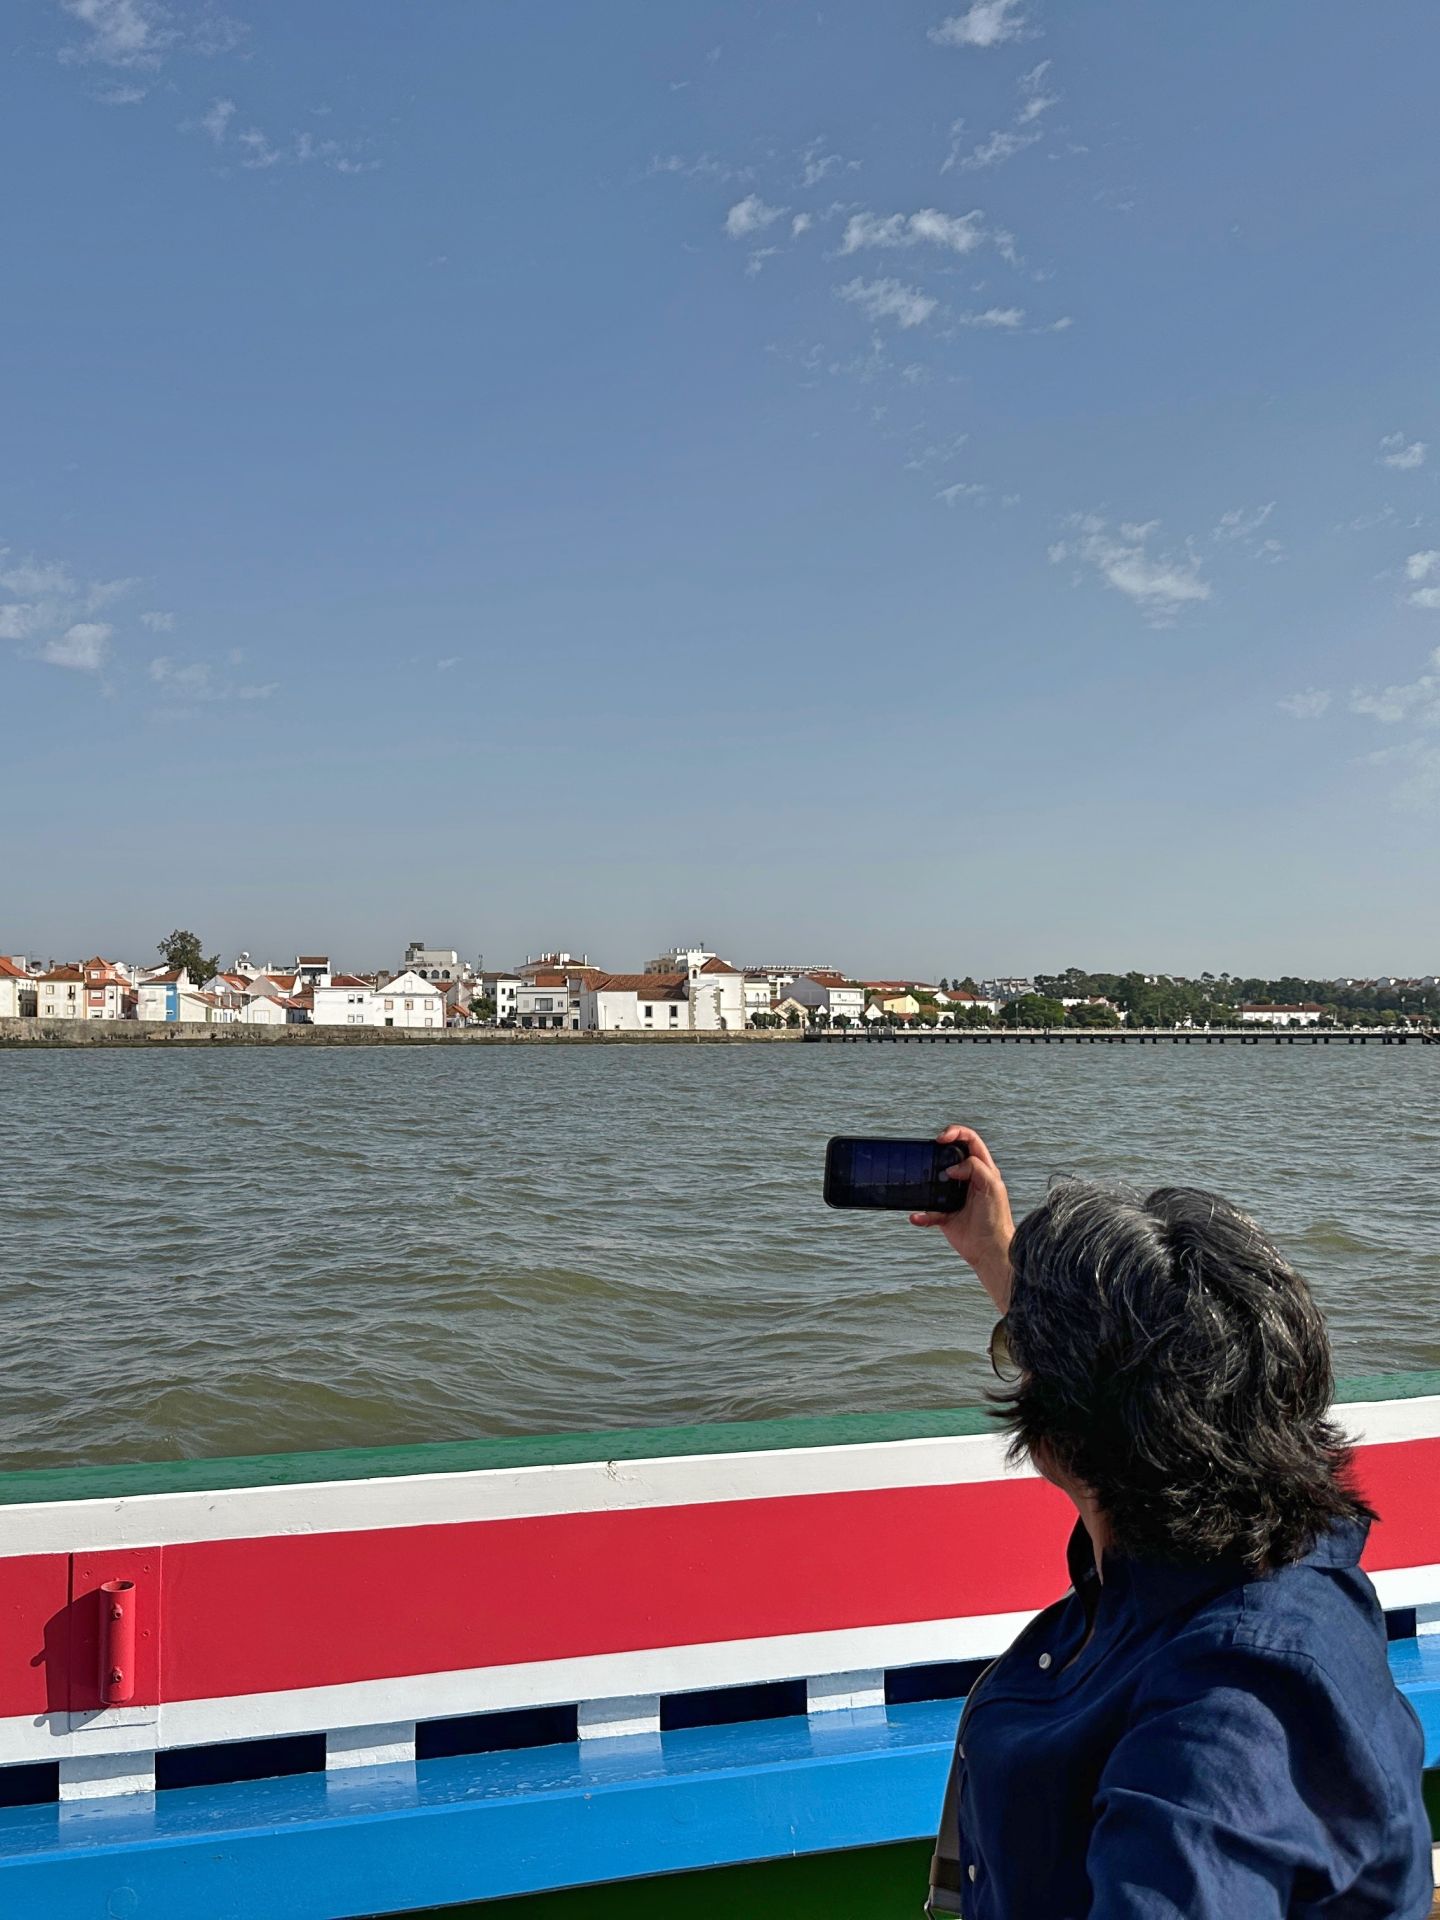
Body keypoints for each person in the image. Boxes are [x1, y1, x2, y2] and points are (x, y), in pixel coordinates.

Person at [909, 1125, 1433, 1919]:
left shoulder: (1228, 1709)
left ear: (1072, 1430)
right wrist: (996, 1251)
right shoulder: (1276, 1554)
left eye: (1025, 1357)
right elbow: (1142, 1377)